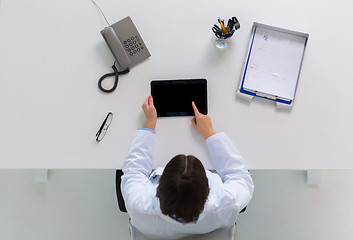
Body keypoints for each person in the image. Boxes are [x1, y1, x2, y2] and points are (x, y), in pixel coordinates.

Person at [121, 95, 254, 239]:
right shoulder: (228, 205)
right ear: (207, 188)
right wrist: (210, 133)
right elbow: (240, 176)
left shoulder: (138, 205)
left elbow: (134, 171)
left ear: (160, 185)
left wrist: (150, 123)